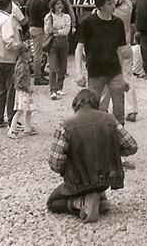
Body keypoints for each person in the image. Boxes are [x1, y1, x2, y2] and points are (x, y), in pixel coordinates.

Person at [47, 89, 138, 223]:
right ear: (96, 105)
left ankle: (81, 203)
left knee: (53, 202)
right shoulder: (110, 120)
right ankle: (100, 198)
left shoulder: (66, 125)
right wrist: (112, 150)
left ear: (75, 105)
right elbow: (132, 146)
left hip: (78, 182)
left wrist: (67, 168)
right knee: (96, 184)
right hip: (106, 180)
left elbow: (55, 163)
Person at [75, 0, 130, 125]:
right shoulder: (87, 23)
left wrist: (122, 75)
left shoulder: (118, 23)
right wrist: (78, 73)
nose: (113, 6)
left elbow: (119, 50)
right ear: (100, 6)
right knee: (93, 111)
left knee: (119, 112)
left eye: (113, 2)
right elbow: (79, 48)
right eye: (110, 3)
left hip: (114, 72)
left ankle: (118, 141)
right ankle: (96, 140)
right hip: (95, 72)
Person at [0, 0, 23, 129]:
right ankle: (11, 119)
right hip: (9, 58)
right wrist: (20, 46)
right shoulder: (8, 20)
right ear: (9, 5)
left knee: (1, 88)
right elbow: (8, 40)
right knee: (11, 89)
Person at [105, 0, 139, 123]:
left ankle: (104, 108)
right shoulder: (128, 8)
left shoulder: (110, 13)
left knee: (108, 78)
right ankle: (132, 110)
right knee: (128, 77)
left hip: (113, 49)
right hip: (127, 47)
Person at [44, 0, 71, 100]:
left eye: (61, 4)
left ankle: (59, 87)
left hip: (64, 42)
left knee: (63, 67)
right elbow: (47, 30)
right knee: (53, 67)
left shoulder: (67, 17)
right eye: (57, 4)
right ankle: (53, 90)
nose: (60, 6)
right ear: (53, 6)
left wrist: (56, 31)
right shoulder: (48, 17)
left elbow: (66, 31)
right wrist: (59, 30)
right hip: (53, 43)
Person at [7, 45, 36, 139]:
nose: (30, 54)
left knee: (29, 109)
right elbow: (19, 81)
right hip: (23, 92)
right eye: (28, 52)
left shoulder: (23, 64)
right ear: (24, 53)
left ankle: (27, 128)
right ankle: (12, 129)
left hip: (25, 91)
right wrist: (28, 88)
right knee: (20, 110)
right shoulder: (22, 66)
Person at [26, 0, 50, 85]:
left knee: (36, 52)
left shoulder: (30, 0)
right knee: (38, 54)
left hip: (32, 26)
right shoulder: (40, 2)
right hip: (39, 28)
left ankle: (39, 72)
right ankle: (37, 76)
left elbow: (27, 12)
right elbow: (43, 16)